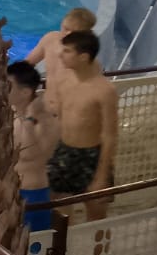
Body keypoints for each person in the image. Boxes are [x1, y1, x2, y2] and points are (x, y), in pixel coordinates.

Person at [46, 29, 118, 221]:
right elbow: (61, 121)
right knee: (57, 211)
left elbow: (110, 136)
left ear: (83, 57)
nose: (60, 55)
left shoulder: (104, 91)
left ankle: (97, 243)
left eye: (67, 51)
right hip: (64, 152)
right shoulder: (63, 81)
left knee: (96, 214)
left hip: (91, 156)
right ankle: (63, 239)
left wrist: (102, 176)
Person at [8, 61, 59, 233]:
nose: (3, 90)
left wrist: (29, 118)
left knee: (33, 245)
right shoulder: (13, 114)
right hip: (9, 192)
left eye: (8, 86)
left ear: (25, 92)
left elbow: (35, 153)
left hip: (32, 193)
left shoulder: (46, 120)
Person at [25, 6, 96, 80]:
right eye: (66, 28)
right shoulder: (50, 39)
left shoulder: (83, 56)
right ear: (62, 23)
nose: (67, 34)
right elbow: (28, 63)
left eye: (74, 32)